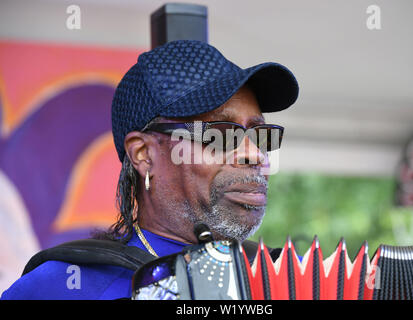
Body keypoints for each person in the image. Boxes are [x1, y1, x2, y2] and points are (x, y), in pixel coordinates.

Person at [1, 40, 299, 299]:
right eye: (220, 134)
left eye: (259, 135)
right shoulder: (60, 287)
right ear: (143, 154)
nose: (254, 154)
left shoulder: (288, 280)